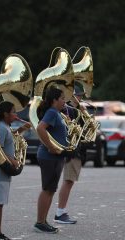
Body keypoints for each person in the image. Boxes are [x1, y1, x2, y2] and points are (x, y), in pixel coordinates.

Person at [0, 101, 31, 240]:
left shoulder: (5, 126)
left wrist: (22, 129)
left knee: (0, 203)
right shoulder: (1, 127)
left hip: (3, 170)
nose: (16, 114)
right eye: (13, 111)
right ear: (5, 114)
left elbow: (10, 137)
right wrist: (12, 161)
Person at [34, 85, 69, 234]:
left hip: (55, 157)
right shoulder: (52, 112)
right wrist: (51, 147)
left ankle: (43, 221)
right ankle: (39, 223)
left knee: (51, 189)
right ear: (55, 100)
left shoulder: (56, 113)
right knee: (47, 189)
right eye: (62, 98)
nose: (64, 101)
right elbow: (40, 128)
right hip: (49, 157)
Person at [54, 85, 85, 224]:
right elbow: (72, 130)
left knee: (69, 181)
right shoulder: (69, 110)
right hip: (72, 150)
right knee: (68, 180)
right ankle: (60, 212)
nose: (81, 98)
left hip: (76, 150)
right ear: (72, 96)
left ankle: (62, 211)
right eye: (79, 95)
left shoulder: (75, 110)